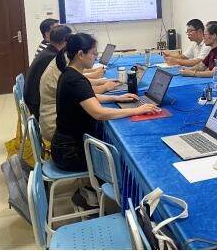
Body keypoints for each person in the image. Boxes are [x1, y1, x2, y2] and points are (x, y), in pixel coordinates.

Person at [51, 33, 161, 172]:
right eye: (93, 53)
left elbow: (88, 98)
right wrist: (137, 110)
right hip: (71, 154)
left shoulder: (70, 74)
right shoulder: (75, 80)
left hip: (66, 147)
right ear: (81, 54)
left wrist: (117, 98)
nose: (96, 57)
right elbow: (99, 113)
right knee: (125, 163)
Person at [24, 25, 71, 120]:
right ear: (66, 42)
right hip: (38, 109)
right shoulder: (53, 57)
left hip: (33, 103)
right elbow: (68, 82)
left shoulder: (48, 52)